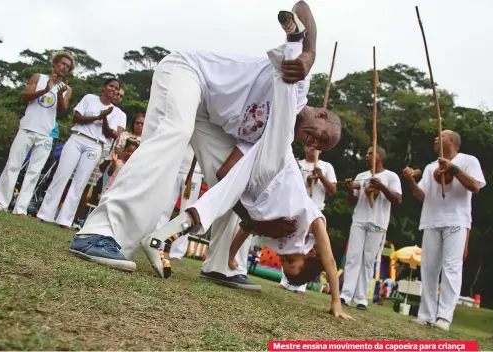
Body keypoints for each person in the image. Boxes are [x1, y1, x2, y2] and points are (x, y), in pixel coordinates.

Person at [68, 3, 334, 293]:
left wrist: (254, 221)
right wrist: (309, 54)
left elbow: (228, 173)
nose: (315, 144)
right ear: (321, 114)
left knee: (240, 183)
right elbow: (301, 6)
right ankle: (99, 233)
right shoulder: (298, 86)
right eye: (323, 137)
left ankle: (219, 264)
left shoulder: (270, 137)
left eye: (322, 147)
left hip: (209, 117)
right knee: (175, 134)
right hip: (188, 72)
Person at [139, 34, 349, 320]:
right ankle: (294, 44)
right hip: (274, 169)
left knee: (218, 199)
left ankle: (160, 238)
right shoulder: (313, 227)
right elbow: (330, 261)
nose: (284, 257)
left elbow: (247, 227)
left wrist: (230, 255)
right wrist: (336, 301)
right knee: (286, 112)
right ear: (308, 255)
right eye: (291, 260)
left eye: (284, 263)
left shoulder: (279, 239)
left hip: (252, 187)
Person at [403, 130, 486, 331]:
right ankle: (426, 315)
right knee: (429, 268)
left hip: (456, 220)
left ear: (451, 141)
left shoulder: (468, 160)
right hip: (431, 220)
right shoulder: (431, 166)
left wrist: (453, 169)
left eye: (440, 137)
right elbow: (422, 196)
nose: (435, 139)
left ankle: (444, 317)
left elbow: (475, 187)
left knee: (451, 267)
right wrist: (411, 181)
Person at [37, 79, 126, 229]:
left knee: (80, 182)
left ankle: (65, 220)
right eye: (111, 85)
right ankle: (44, 214)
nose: (113, 90)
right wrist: (98, 115)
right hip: (78, 138)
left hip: (96, 145)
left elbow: (113, 135)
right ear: (103, 87)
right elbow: (77, 118)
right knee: (62, 175)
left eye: (116, 88)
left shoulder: (117, 113)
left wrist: (104, 117)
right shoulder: (89, 98)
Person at [0, 51, 74, 216]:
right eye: (62, 63)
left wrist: (58, 95)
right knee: (13, 165)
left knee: (34, 171)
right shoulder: (39, 77)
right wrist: (45, 89)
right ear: (54, 64)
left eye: (67, 66)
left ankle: (20, 209)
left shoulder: (66, 89)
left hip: (46, 134)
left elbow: (62, 112)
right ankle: (0, 203)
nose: (64, 67)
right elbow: (24, 97)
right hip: (28, 127)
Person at [340, 146, 402, 311]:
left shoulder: (391, 176)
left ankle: (361, 299)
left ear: (379, 157)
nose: (366, 156)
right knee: (353, 257)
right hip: (359, 220)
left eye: (370, 153)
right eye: (366, 153)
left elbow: (397, 199)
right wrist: (349, 189)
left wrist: (381, 187)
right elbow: (352, 201)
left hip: (378, 222)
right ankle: (345, 295)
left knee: (368, 261)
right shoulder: (361, 177)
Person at [280, 145, 337, 294]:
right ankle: (285, 282)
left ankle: (301, 286)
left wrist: (321, 176)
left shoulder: (326, 166)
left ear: (321, 150)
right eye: (309, 144)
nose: (312, 147)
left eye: (316, 146)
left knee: (308, 250)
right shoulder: (299, 164)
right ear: (304, 147)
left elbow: (333, 190)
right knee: (289, 247)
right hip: (295, 209)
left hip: (315, 211)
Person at [155, 144, 205, 260]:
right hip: (175, 167)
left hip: (195, 173)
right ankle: (157, 242)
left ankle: (177, 251)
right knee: (164, 208)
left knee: (187, 214)